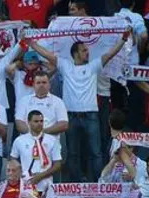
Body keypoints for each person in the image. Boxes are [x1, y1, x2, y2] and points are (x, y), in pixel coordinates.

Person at [28, 29, 131, 181]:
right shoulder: (64, 65)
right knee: (73, 153)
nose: (87, 53)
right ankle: (75, 186)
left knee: (95, 153)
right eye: (84, 50)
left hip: (91, 116)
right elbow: (46, 54)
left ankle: (99, 184)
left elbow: (110, 54)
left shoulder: (93, 66)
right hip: (71, 117)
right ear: (75, 53)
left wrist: (123, 39)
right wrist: (31, 43)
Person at [10, 110, 62, 194]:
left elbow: (58, 164)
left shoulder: (52, 140)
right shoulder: (19, 140)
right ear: (28, 122)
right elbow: (13, 161)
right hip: (26, 185)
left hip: (46, 185)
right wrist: (20, 174)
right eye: (36, 121)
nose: (39, 124)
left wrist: (40, 176)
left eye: (41, 121)